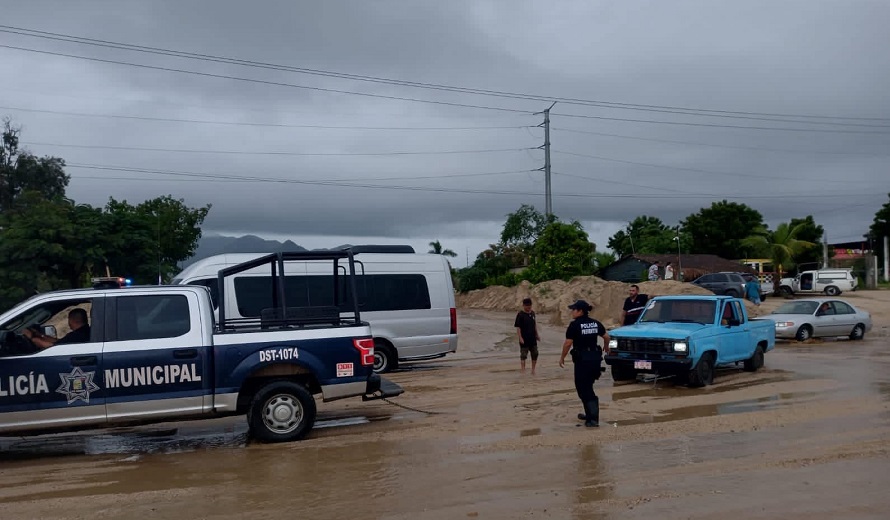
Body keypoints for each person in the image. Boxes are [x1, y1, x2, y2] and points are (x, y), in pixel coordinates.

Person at [559, 300, 610, 428]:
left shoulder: (575, 325)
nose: (572, 311)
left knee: (583, 388)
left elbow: (568, 343)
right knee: (587, 386)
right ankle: (589, 414)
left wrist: (562, 357)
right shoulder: (595, 323)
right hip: (595, 360)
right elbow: (607, 337)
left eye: (574, 309)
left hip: (583, 361)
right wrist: (606, 347)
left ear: (580, 311)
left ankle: (593, 419)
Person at [23, 308, 91, 350]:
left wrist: (32, 338)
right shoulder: (85, 331)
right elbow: (58, 342)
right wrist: (40, 335)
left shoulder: (77, 335)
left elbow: (52, 347)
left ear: (71, 320)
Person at [514, 298, 541, 375]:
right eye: (527, 305)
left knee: (535, 353)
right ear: (523, 305)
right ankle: (523, 370)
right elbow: (518, 327)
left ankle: (533, 370)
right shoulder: (520, 315)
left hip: (532, 338)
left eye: (530, 305)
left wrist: (537, 334)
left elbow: (534, 324)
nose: (528, 307)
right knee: (523, 355)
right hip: (524, 338)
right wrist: (520, 337)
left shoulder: (532, 313)